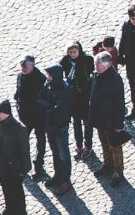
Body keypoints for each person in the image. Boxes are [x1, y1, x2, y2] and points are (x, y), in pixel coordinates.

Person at [89, 52, 126, 187]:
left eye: (98, 64)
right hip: (100, 118)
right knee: (104, 143)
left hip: (111, 120)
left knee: (115, 147)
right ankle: (107, 164)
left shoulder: (115, 80)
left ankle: (118, 171)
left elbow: (119, 104)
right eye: (96, 64)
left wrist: (118, 125)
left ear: (108, 64)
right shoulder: (97, 75)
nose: (96, 67)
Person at [0, 99, 28, 215]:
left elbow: (24, 151)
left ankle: (20, 213)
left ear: (7, 113)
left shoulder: (19, 128)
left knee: (16, 190)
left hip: (14, 167)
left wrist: (24, 169)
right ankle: (9, 210)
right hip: (1, 165)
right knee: (6, 189)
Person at [39, 65, 72, 195]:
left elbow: (59, 108)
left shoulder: (64, 89)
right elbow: (39, 98)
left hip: (60, 126)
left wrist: (47, 107)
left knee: (63, 154)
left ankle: (65, 180)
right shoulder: (48, 85)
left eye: (49, 75)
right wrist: (47, 105)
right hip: (50, 125)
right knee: (55, 152)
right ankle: (58, 175)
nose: (47, 77)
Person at [13, 55, 47, 181]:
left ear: (32, 65)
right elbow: (18, 91)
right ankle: (22, 163)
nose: (24, 68)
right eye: (22, 66)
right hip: (25, 115)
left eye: (26, 66)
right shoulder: (20, 75)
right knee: (22, 140)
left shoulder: (41, 78)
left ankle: (38, 165)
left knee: (40, 141)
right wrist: (17, 102)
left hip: (38, 116)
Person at [59, 42, 94, 160]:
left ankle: (88, 146)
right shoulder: (66, 60)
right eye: (70, 52)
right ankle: (79, 146)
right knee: (76, 123)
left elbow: (90, 75)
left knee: (87, 123)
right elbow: (59, 70)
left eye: (75, 52)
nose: (73, 54)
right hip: (73, 98)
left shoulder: (87, 60)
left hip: (85, 97)